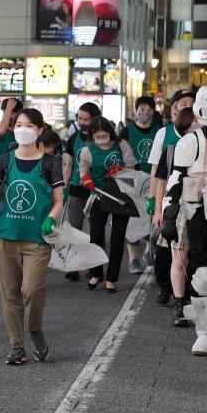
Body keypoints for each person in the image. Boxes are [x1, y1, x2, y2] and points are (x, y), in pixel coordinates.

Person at [0, 108, 64, 365]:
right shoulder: (4, 160)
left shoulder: (50, 163)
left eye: (28, 125)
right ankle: (16, 345)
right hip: (5, 237)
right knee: (10, 292)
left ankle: (35, 329)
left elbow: (58, 200)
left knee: (32, 288)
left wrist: (51, 217)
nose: (22, 128)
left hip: (37, 239)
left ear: (39, 130)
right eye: (18, 124)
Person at [162, 85, 207, 356]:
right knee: (202, 274)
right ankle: (204, 333)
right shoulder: (191, 142)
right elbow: (174, 185)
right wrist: (169, 216)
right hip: (198, 212)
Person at [146, 90, 197, 304]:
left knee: (187, 251)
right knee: (165, 247)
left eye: (191, 102)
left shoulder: (202, 136)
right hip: (169, 199)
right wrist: (153, 200)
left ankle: (185, 292)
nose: (187, 105)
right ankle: (165, 287)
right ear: (174, 107)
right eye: (182, 102)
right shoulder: (165, 134)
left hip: (194, 201)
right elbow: (157, 168)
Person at [79, 116, 137, 293]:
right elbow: (83, 170)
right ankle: (96, 274)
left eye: (104, 136)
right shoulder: (87, 151)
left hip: (120, 196)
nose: (100, 140)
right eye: (97, 137)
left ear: (111, 134)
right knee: (95, 237)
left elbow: (132, 168)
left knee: (117, 238)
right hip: (98, 196)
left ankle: (111, 278)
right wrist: (86, 179)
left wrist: (122, 170)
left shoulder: (122, 145)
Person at [119, 96, 160, 275]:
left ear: (153, 111)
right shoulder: (126, 132)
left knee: (153, 219)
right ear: (135, 111)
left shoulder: (160, 131)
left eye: (148, 109)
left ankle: (149, 250)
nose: (145, 112)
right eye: (141, 109)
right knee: (132, 221)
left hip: (155, 181)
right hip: (132, 181)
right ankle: (133, 259)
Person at [62, 101, 102, 281]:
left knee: (96, 232)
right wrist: (64, 186)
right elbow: (68, 165)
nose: (82, 122)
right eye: (80, 118)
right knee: (74, 230)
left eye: (86, 119)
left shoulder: (101, 137)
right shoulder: (73, 139)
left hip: (97, 191)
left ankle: (95, 267)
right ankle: (73, 266)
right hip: (77, 190)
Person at [0, 98, 22, 167]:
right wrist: (9, 108)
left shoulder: (22, 133)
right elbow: (2, 131)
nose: (6, 116)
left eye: (13, 113)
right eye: (5, 113)